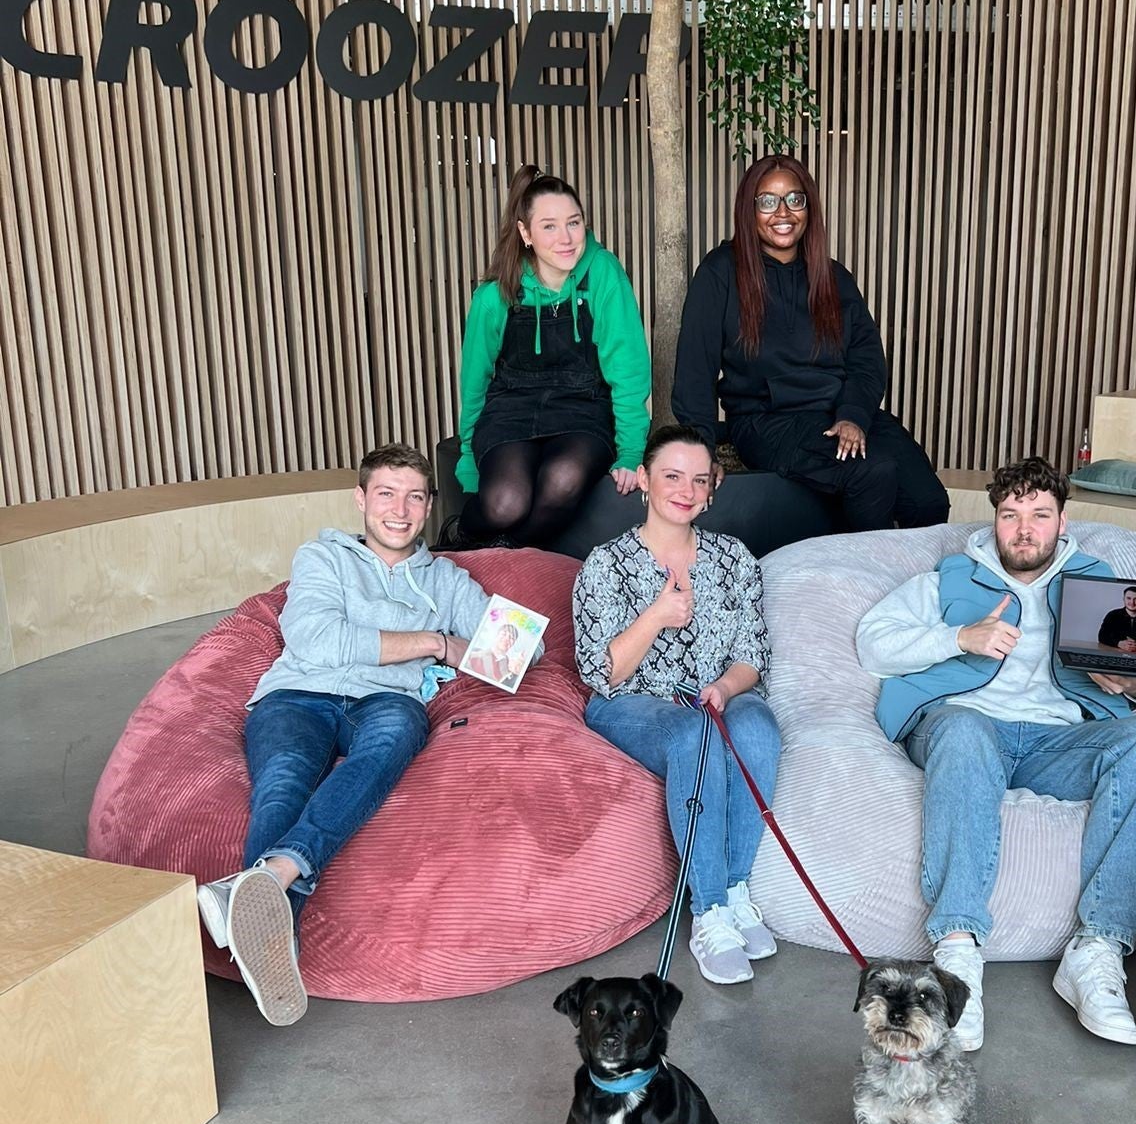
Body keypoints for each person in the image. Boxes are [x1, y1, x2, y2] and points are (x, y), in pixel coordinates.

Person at [854, 456, 1136, 1053]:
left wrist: (1132, 684)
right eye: (1011, 515)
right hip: (966, 727)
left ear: (1062, 520)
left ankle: (1097, 949)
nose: (1024, 529)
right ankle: (957, 953)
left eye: (1040, 515)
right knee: (966, 730)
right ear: (995, 519)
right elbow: (873, 642)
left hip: (1058, 740)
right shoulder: (953, 576)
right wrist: (959, 638)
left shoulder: (1099, 582)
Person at [196, 443, 516, 1026]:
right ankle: (273, 940)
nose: (400, 510)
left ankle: (265, 882)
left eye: (415, 497)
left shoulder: (445, 580)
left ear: (428, 505)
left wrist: (476, 639)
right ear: (361, 499)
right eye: (386, 494)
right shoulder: (323, 558)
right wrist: (432, 642)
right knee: (282, 785)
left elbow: (520, 653)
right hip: (297, 694)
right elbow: (317, 641)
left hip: (386, 702)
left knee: (394, 738)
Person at [574, 423, 783, 988]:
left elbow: (752, 655)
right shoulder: (607, 563)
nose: (685, 490)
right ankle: (709, 907)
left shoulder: (732, 558)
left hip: (714, 695)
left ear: (712, 489)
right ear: (644, 480)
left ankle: (737, 888)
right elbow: (601, 670)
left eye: (699, 480)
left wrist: (725, 689)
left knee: (759, 728)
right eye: (671, 476)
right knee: (696, 737)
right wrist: (656, 617)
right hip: (633, 703)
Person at [672, 155, 949, 533]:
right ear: (748, 209)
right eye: (767, 201)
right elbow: (694, 371)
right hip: (768, 421)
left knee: (928, 500)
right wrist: (700, 452)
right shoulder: (720, 272)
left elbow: (867, 359)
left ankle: (911, 589)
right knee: (871, 474)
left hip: (838, 412)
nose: (782, 212)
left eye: (794, 200)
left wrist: (852, 414)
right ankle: (862, 588)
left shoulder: (833, 276)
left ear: (809, 206)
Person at [450, 163, 650, 548]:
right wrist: (469, 460)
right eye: (549, 226)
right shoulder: (495, 296)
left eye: (574, 223)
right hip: (511, 408)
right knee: (504, 502)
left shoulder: (603, 273)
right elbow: (474, 383)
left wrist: (629, 452)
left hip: (583, 408)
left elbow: (628, 370)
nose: (566, 238)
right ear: (525, 232)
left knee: (563, 480)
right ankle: (462, 539)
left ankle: (502, 556)